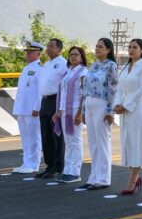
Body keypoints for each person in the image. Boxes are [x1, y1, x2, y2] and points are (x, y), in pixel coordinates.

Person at [77, 37, 119, 191]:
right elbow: (85, 89)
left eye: (101, 47)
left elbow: (113, 89)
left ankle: (103, 178)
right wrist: (83, 109)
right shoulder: (93, 65)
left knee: (102, 143)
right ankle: (93, 177)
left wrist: (110, 110)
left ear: (108, 50)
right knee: (93, 143)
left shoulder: (111, 66)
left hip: (102, 104)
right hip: (89, 104)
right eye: (96, 46)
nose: (97, 49)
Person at [116, 38, 142, 195]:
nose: (131, 50)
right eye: (129, 47)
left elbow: (141, 89)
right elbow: (120, 88)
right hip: (124, 107)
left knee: (136, 142)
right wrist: (117, 104)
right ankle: (134, 175)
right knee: (128, 142)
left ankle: (133, 180)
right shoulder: (126, 67)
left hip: (137, 108)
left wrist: (125, 105)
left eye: (135, 47)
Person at [35, 38, 68, 179]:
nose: (48, 49)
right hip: (45, 101)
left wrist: (60, 108)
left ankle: (58, 165)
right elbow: (42, 86)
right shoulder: (47, 64)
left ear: (59, 49)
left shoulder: (63, 63)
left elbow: (65, 86)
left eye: (51, 46)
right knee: (46, 135)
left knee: (56, 136)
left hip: (56, 100)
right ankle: (49, 165)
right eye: (47, 46)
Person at [55, 46, 88, 184]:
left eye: (76, 55)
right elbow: (62, 94)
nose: (73, 57)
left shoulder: (83, 72)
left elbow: (85, 93)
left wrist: (80, 112)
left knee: (75, 141)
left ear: (81, 57)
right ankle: (67, 170)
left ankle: (75, 172)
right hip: (65, 111)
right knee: (68, 142)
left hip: (75, 110)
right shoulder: (68, 71)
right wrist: (58, 111)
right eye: (71, 54)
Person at [11, 42, 43, 174]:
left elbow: (41, 90)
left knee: (34, 137)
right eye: (27, 52)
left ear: (38, 54)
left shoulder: (40, 68)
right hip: (22, 108)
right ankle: (26, 162)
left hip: (32, 109)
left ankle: (34, 164)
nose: (27, 54)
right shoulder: (26, 68)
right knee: (25, 138)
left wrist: (37, 107)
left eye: (30, 52)